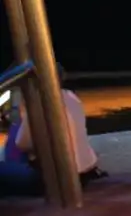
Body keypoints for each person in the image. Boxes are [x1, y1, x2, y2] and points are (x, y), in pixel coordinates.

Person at [0, 65, 106, 198]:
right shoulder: (71, 96)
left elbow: (22, 143)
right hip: (84, 175)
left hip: (55, 182)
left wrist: (22, 116)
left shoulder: (38, 102)